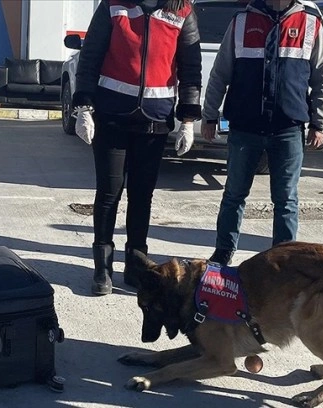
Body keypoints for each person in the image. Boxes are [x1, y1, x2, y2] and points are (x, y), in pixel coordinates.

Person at [72, 0, 202, 295]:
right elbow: (90, 57)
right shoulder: (114, 6)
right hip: (112, 118)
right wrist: (83, 106)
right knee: (108, 194)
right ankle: (102, 269)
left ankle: (135, 265)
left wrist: (188, 120)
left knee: (142, 196)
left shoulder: (181, 11)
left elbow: (191, 67)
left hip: (154, 122)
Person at [201, 0, 323, 266]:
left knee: (286, 199)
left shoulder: (310, 23)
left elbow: (322, 77)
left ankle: (284, 259)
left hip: (288, 129)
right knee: (234, 194)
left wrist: (320, 122)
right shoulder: (241, 22)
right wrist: (210, 115)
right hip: (244, 129)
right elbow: (220, 73)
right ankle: (224, 251)